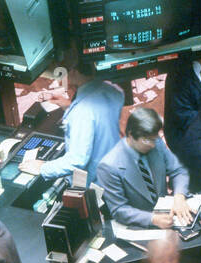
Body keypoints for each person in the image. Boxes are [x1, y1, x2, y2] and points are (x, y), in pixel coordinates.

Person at [18, 57, 123, 188]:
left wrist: (43, 168)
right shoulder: (113, 90)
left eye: (61, 74)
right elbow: (97, 115)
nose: (58, 80)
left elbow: (77, 160)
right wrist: (69, 105)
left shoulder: (81, 113)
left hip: (95, 183)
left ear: (73, 72)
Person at [97, 107, 194, 229]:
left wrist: (179, 196)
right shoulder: (108, 166)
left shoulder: (155, 142)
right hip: (139, 225)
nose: (153, 144)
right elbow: (119, 209)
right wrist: (151, 219)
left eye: (154, 139)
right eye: (147, 141)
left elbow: (178, 170)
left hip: (168, 215)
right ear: (131, 135)